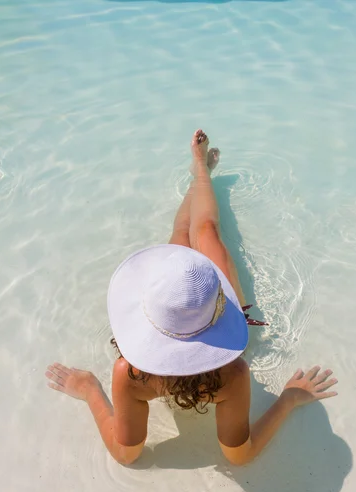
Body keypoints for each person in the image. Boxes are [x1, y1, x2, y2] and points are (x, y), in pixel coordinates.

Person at [45, 130, 338, 466]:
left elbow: (127, 455)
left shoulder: (129, 372)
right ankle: (200, 172)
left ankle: (200, 172)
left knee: (186, 235)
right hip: (209, 314)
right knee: (203, 232)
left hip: (190, 311)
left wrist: (89, 390)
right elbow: (240, 456)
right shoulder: (232, 374)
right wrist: (286, 400)